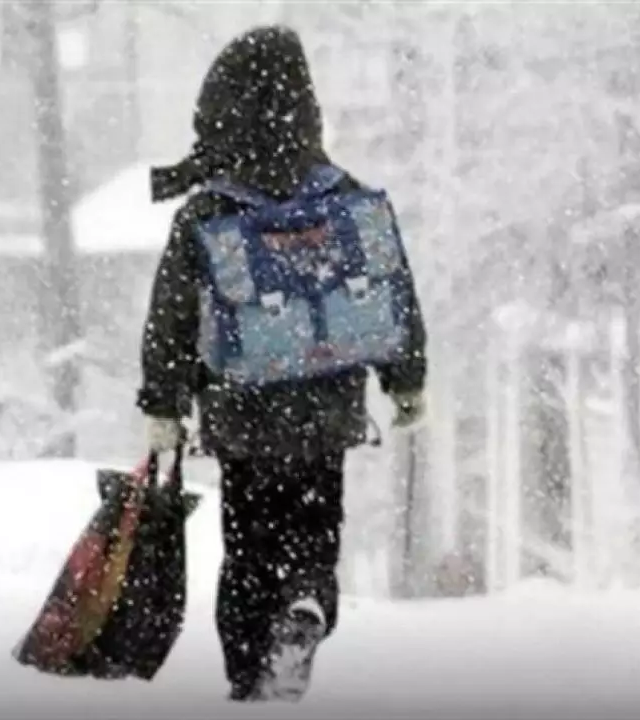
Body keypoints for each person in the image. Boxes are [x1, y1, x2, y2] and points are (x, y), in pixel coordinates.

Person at [136, 25, 427, 703]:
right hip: (328, 408)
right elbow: (392, 288)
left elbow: (171, 317)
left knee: (248, 543)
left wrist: (163, 405)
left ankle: (247, 678)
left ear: (220, 114)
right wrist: (406, 379)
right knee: (314, 528)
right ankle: (306, 604)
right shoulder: (342, 194)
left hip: (242, 413)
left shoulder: (209, 208)